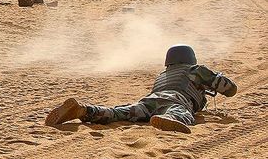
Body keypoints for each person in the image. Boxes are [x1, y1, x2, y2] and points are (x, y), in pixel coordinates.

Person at [45, 44, 237, 133]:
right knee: (180, 113)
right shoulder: (195, 70)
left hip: (149, 100)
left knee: (119, 113)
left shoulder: (163, 75)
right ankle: (170, 119)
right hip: (177, 100)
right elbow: (230, 89)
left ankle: (84, 110)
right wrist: (214, 78)